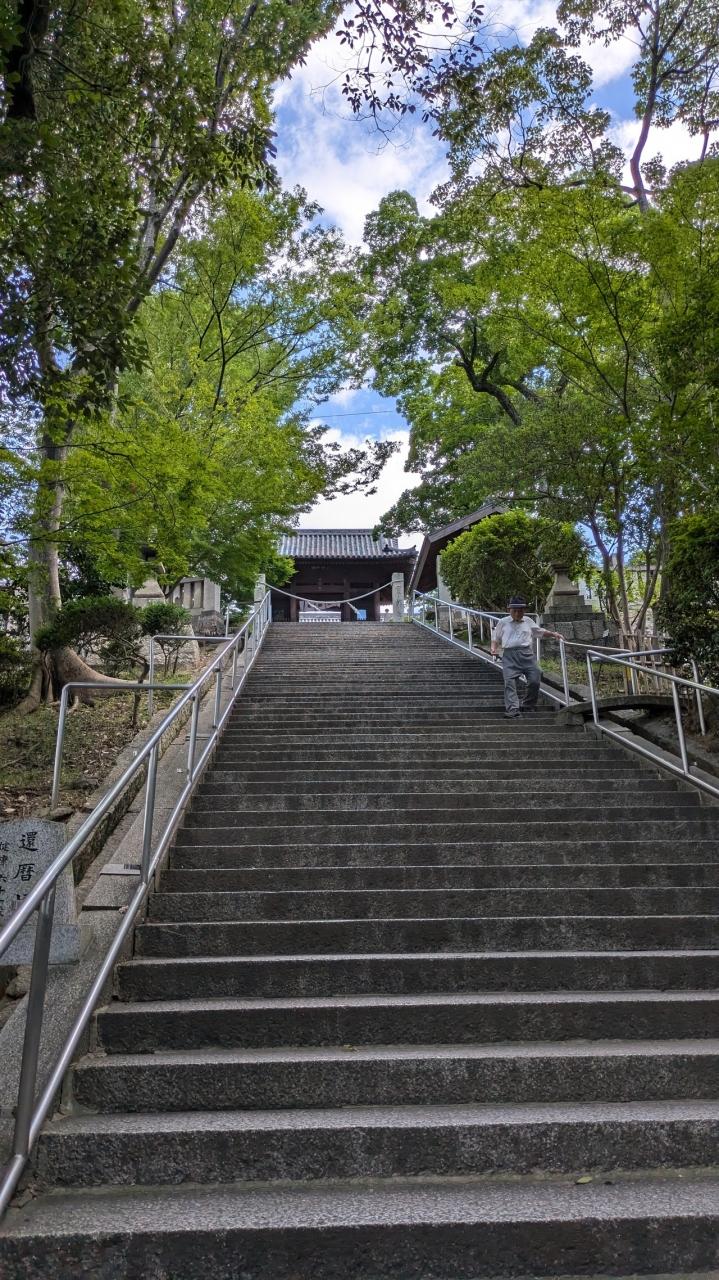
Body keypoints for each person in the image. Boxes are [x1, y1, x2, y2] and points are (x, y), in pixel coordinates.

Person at [490, 597, 563, 718]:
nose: (517, 613)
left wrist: (553, 634)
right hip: (509, 655)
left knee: (535, 678)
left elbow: (539, 631)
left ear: (524, 610)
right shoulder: (503, 622)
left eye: (520, 611)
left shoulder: (528, 621)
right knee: (509, 682)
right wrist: (493, 648)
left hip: (527, 654)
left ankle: (528, 704)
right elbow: (495, 638)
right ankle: (513, 709)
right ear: (509, 610)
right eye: (514, 611)